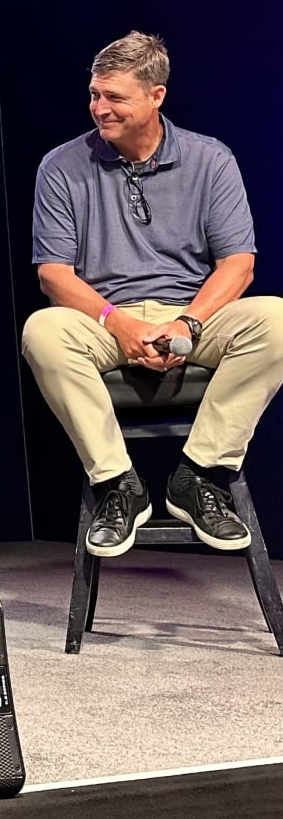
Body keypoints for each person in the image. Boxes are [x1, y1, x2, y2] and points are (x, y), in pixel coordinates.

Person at [22, 31, 283, 558]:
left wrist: (186, 324)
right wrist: (121, 324)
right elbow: (53, 275)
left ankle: (202, 473)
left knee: (277, 319)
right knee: (41, 330)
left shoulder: (211, 160)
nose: (100, 108)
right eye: (95, 94)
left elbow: (239, 264)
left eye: (115, 97)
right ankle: (117, 482)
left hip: (192, 317)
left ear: (156, 96)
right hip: (103, 321)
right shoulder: (61, 166)